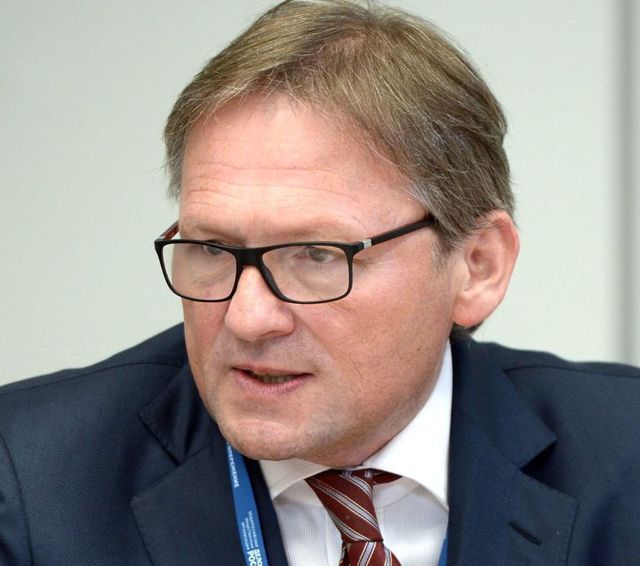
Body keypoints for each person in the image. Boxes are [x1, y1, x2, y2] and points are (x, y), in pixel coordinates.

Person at [1, 1, 639, 564]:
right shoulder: (31, 479)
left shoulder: (624, 457)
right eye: (213, 249)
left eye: (316, 255)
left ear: (477, 266)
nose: (248, 318)